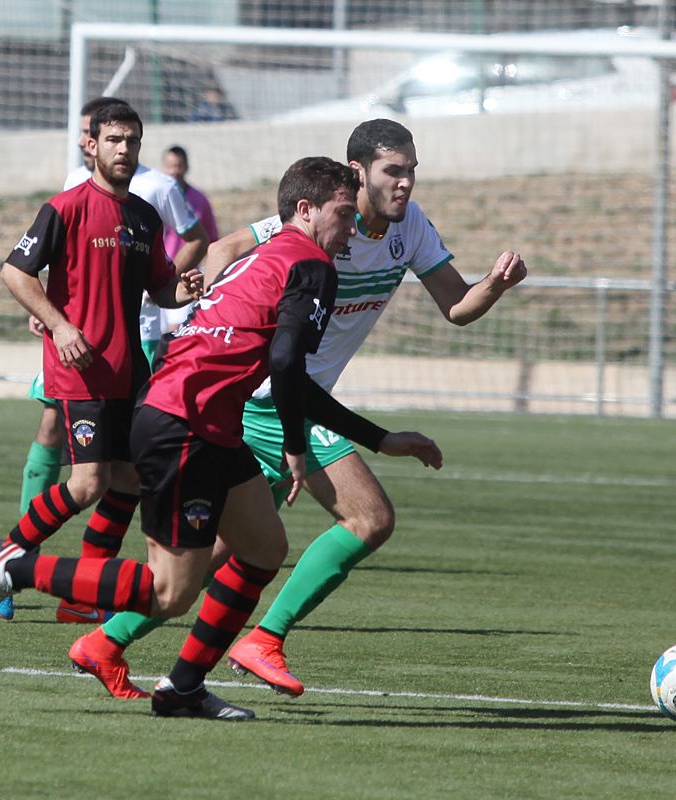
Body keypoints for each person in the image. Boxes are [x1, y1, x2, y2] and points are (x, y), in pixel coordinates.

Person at [0, 156, 443, 722]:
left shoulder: (265, 258)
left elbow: (286, 371)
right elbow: (286, 363)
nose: (352, 226)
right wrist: (293, 444)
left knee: (263, 547)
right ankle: (12, 569)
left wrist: (380, 440)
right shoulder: (311, 264)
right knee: (170, 592)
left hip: (198, 418)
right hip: (183, 424)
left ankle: (183, 687)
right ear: (306, 211)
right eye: (343, 211)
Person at [68, 118, 527, 701]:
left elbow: (458, 306)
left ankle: (107, 642)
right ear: (357, 174)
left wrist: (497, 283)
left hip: (288, 396)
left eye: (412, 170)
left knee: (232, 548)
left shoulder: (410, 228)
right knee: (369, 518)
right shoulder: (320, 218)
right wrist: (206, 310)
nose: (406, 182)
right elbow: (228, 246)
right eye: (394, 170)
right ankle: (263, 639)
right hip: (273, 397)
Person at [0, 97, 209, 624]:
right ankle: (3, 555)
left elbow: (160, 290)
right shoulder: (64, 207)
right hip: (80, 367)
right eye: (113, 140)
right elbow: (15, 274)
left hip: (129, 368)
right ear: (91, 145)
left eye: (132, 141)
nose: (124, 150)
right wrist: (60, 324)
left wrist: (182, 291)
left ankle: (80, 596)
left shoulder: (143, 215)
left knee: (132, 480)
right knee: (88, 483)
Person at [159, 144, 219, 334]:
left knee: (176, 329)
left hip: (186, 275)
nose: (174, 171)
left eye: (178, 166)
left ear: (186, 167)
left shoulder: (199, 200)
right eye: (170, 166)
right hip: (159, 273)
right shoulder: (157, 196)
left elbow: (211, 239)